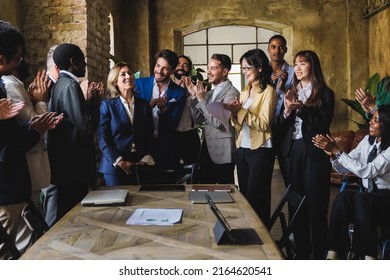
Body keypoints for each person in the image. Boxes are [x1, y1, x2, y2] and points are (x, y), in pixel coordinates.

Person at [0, 20, 63, 259]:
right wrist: (36, 129)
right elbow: (7, 148)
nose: (21, 62)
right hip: (7, 188)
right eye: (17, 58)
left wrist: (32, 125)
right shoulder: (5, 85)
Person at [276, 50, 335, 259]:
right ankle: (300, 254)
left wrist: (302, 108)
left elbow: (322, 124)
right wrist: (286, 111)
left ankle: (318, 254)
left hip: (314, 152)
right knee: (295, 204)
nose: (298, 68)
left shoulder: (325, 93)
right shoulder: (289, 92)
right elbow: (279, 126)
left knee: (316, 206)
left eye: (303, 63)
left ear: (313, 66)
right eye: (296, 64)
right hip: (293, 152)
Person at [313, 105, 390, 260]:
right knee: (343, 197)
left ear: (386, 125)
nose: (370, 122)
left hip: (386, 200)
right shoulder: (367, 142)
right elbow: (343, 167)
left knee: (362, 198)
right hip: (368, 198)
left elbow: (368, 171)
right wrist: (333, 155)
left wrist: (337, 151)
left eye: (376, 120)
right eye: (372, 119)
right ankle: (333, 252)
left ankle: (368, 256)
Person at [47, 43, 102, 221]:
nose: (85, 65)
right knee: (70, 216)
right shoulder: (70, 86)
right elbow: (85, 127)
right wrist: (93, 106)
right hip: (72, 167)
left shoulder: (59, 84)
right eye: (83, 61)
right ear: (74, 61)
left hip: (65, 166)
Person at [224, 49, 276, 224]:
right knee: (245, 196)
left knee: (257, 197)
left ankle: (263, 237)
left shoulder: (269, 91)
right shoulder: (245, 91)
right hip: (243, 147)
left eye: (248, 68)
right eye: (243, 68)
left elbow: (263, 124)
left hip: (261, 149)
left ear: (260, 68)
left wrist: (241, 111)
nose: (245, 72)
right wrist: (233, 113)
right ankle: (249, 233)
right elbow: (239, 125)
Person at [3, 56, 52, 206]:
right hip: (27, 168)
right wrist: (41, 101)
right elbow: (35, 123)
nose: (27, 61)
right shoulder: (11, 85)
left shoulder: (18, 84)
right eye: (19, 57)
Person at [97, 62, 155, 186]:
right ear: (114, 81)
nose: (128, 76)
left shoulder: (144, 105)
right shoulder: (107, 105)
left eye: (130, 73)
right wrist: (119, 161)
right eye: (123, 74)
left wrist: (146, 158)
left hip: (139, 165)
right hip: (114, 167)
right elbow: (102, 138)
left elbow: (150, 135)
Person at [185, 53, 240, 184]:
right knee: (202, 189)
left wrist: (201, 99)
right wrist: (194, 97)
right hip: (206, 149)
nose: (208, 72)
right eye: (208, 67)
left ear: (225, 71)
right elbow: (198, 119)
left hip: (222, 151)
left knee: (225, 192)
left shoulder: (232, 93)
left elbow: (217, 122)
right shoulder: (209, 92)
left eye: (213, 68)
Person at [135, 49, 186, 169]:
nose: (159, 71)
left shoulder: (180, 92)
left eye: (165, 68)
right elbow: (132, 116)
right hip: (141, 145)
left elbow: (173, 123)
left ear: (172, 70)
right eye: (158, 65)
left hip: (165, 147)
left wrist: (164, 110)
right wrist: (149, 105)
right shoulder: (139, 84)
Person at [268, 35, 294, 185]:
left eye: (280, 47)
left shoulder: (293, 72)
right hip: (265, 128)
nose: (277, 50)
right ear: (269, 49)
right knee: (264, 175)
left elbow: (295, 98)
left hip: (284, 128)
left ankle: (293, 208)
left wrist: (283, 88)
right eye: (273, 47)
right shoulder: (263, 73)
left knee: (288, 175)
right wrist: (271, 82)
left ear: (285, 49)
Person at [172, 55, 201, 165]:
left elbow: (200, 116)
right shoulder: (167, 87)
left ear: (189, 69)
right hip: (172, 135)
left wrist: (192, 94)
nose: (181, 68)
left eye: (185, 65)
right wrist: (179, 93)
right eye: (178, 65)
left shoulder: (195, 87)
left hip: (190, 135)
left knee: (193, 170)